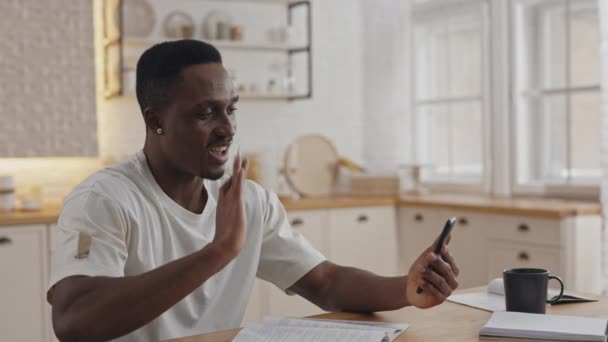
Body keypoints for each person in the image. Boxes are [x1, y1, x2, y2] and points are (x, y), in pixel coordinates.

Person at [47, 40, 459, 342]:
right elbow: (74, 321)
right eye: (205, 112)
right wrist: (217, 252)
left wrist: (405, 288)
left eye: (230, 108)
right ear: (156, 120)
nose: (227, 127)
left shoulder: (249, 200)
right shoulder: (105, 200)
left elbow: (325, 281)